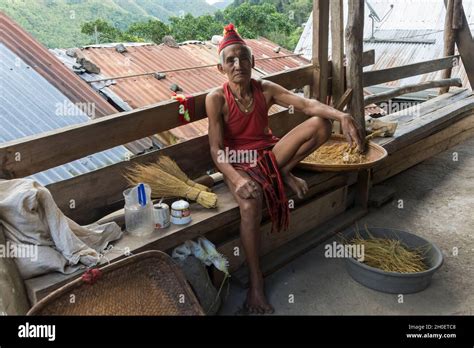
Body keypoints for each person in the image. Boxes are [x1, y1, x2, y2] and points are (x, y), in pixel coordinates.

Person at [205, 23, 363, 314]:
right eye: (231, 60)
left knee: (321, 124)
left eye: (243, 58)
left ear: (253, 62)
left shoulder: (265, 89)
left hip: (269, 155)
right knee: (250, 206)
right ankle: (256, 282)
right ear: (221, 68)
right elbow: (216, 151)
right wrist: (237, 179)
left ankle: (280, 173)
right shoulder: (216, 99)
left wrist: (342, 114)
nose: (238, 64)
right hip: (237, 163)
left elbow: (306, 104)